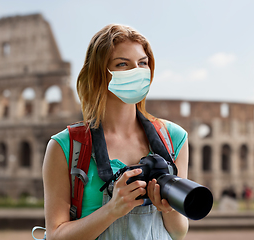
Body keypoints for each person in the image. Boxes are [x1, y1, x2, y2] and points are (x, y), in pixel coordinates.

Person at [42, 24, 189, 240]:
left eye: (142, 63)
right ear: (99, 72)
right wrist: (113, 209)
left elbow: (178, 232)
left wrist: (168, 207)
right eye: (122, 64)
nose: (136, 72)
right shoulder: (67, 146)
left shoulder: (173, 138)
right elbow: (56, 235)